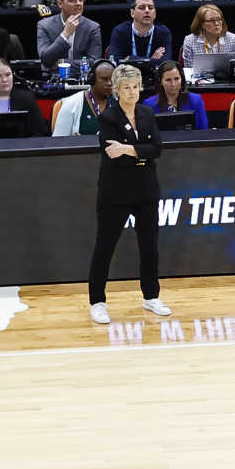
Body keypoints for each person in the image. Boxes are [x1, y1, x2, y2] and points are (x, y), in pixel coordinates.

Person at [89, 65, 171, 323]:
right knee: (105, 246)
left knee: (149, 246)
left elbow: (157, 148)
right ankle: (97, 301)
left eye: (136, 86)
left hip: (146, 189)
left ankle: (151, 296)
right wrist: (138, 151)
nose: (132, 91)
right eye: (127, 87)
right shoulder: (108, 117)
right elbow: (114, 157)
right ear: (117, 90)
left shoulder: (147, 113)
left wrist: (129, 149)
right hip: (116, 191)